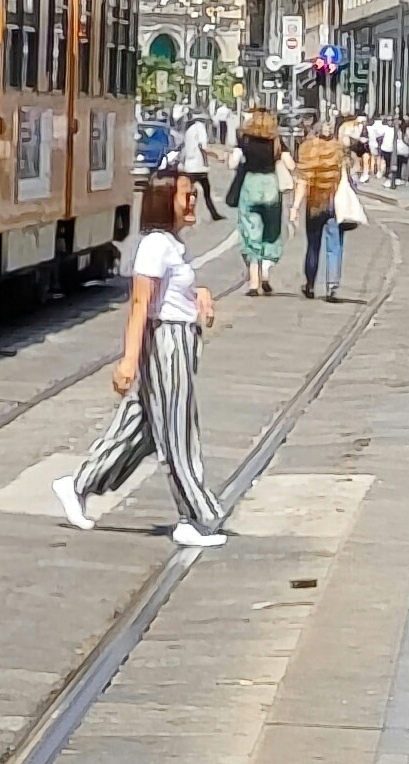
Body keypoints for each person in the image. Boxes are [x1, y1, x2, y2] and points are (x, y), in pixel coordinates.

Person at [53, 172, 232, 548]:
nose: (192, 201)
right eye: (185, 195)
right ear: (164, 201)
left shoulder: (170, 244)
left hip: (176, 339)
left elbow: (171, 291)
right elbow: (140, 304)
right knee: (177, 430)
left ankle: (79, 484)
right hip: (165, 343)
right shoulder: (155, 246)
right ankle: (194, 517)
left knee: (143, 427)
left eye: (193, 195)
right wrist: (128, 360)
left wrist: (198, 294)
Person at [228, 108, 286, 295]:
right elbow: (290, 163)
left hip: (250, 184)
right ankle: (267, 269)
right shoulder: (276, 141)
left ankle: (254, 283)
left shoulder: (245, 140)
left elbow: (232, 163)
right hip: (270, 185)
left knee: (250, 231)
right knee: (271, 230)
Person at [292, 117, 351, 299]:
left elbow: (302, 182)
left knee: (313, 245)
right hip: (334, 202)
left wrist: (295, 206)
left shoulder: (309, 152)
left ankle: (310, 285)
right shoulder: (338, 151)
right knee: (335, 245)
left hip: (315, 203)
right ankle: (332, 286)